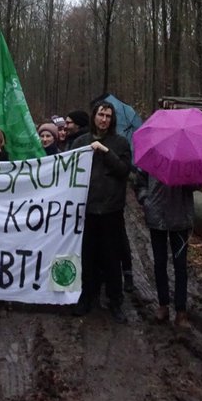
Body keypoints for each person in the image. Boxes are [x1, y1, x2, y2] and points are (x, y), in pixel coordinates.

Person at [70, 101, 132, 323]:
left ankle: (115, 300)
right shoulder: (80, 142)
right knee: (86, 256)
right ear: (93, 117)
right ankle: (86, 297)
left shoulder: (121, 143)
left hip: (110, 210)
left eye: (108, 116)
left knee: (111, 258)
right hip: (85, 210)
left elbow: (124, 171)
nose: (104, 119)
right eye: (100, 115)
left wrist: (106, 152)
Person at [134, 170, 196, 328]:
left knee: (180, 265)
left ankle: (181, 310)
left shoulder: (187, 160)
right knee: (159, 262)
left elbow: (197, 185)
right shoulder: (154, 156)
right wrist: (145, 200)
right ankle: (163, 304)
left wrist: (186, 178)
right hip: (157, 215)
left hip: (180, 217)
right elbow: (140, 181)